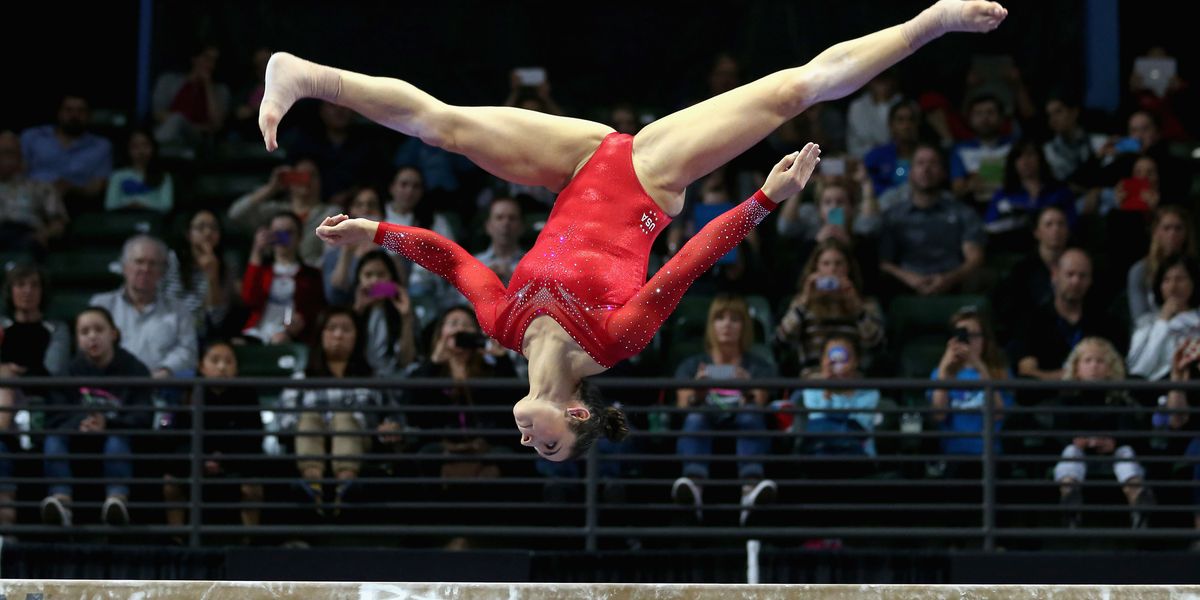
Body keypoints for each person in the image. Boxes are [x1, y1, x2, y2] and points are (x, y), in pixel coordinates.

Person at [261, 0, 1009, 460]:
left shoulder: (503, 327)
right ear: (577, 413)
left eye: (530, 446)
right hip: (648, 177)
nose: (528, 437)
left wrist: (376, 231)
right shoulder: (613, 341)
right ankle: (929, 21)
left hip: (579, 159)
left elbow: (452, 259)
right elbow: (689, 262)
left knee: (445, 129)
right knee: (794, 91)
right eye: (546, 442)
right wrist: (766, 201)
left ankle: (302, 72)